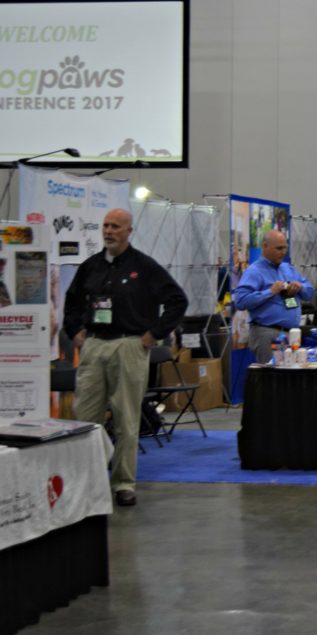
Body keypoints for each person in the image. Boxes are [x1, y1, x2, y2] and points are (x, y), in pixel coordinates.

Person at [63, 208, 188, 506]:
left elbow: (177, 301)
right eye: (105, 225)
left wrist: (152, 334)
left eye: (115, 226)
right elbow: (72, 301)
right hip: (94, 346)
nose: (109, 231)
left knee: (126, 418)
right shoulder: (91, 266)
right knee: (86, 417)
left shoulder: (144, 267)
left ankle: (123, 483)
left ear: (129, 231)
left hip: (129, 346)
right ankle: (88, 479)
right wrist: (75, 331)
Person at [232, 230, 314, 364]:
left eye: (285, 248)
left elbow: (310, 293)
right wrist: (270, 292)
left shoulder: (288, 269)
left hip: (292, 334)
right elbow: (241, 301)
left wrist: (300, 287)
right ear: (265, 246)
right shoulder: (254, 271)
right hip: (267, 334)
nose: (283, 252)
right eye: (279, 248)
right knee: (272, 379)